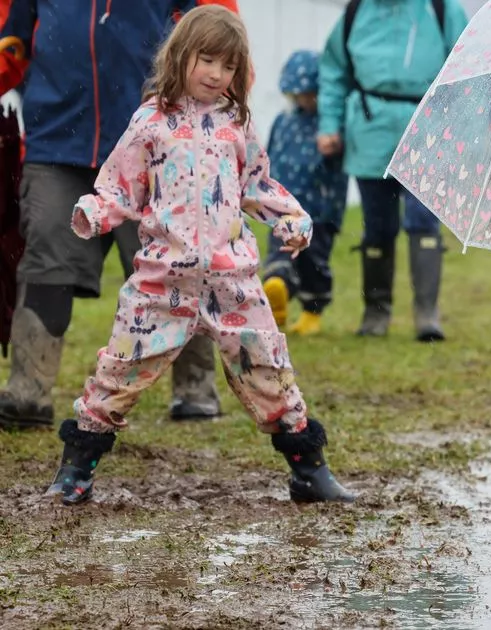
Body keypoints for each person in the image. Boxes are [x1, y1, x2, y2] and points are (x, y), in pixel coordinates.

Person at [47, 6, 354, 507]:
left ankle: (308, 469)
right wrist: (95, 211)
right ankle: (76, 468)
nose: (216, 74)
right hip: (161, 281)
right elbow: (122, 184)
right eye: (206, 60)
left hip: (232, 282)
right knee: (118, 370)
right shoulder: (150, 122)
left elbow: (257, 184)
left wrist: (291, 219)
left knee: (268, 368)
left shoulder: (237, 124)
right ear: (180, 55)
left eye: (229, 66)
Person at [0, 0, 239, 430]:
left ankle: (196, 389)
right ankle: (28, 393)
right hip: (57, 144)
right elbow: (9, 42)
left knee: (181, 265)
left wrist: (222, 128)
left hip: (159, 145)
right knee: (45, 261)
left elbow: (222, 37)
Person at [317, 0, 468, 340]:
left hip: (429, 125)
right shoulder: (356, 12)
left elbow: (469, 69)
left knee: (423, 220)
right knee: (378, 224)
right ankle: (376, 312)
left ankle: (427, 314)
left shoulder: (443, 9)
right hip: (369, 127)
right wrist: (329, 125)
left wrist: (464, 126)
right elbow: (333, 74)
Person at [261, 50, 349, 337]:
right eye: (299, 94)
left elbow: (342, 163)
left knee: (314, 262)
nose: (305, 100)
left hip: (321, 209)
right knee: (280, 252)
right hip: (284, 208)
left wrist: (338, 145)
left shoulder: (332, 124)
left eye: (311, 94)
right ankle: (278, 292)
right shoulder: (283, 121)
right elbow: (269, 155)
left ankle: (312, 311)